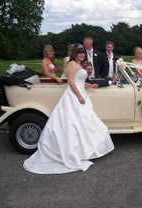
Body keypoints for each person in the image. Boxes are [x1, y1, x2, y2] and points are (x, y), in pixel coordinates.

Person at [23, 46, 114, 174]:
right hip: (74, 96)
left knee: (85, 123)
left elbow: (80, 80)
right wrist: (79, 96)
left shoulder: (80, 64)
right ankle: (72, 152)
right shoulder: (72, 63)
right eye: (80, 53)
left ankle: (85, 151)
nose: (82, 55)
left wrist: (90, 85)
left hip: (81, 93)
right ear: (75, 54)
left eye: (83, 53)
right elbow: (71, 81)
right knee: (72, 125)